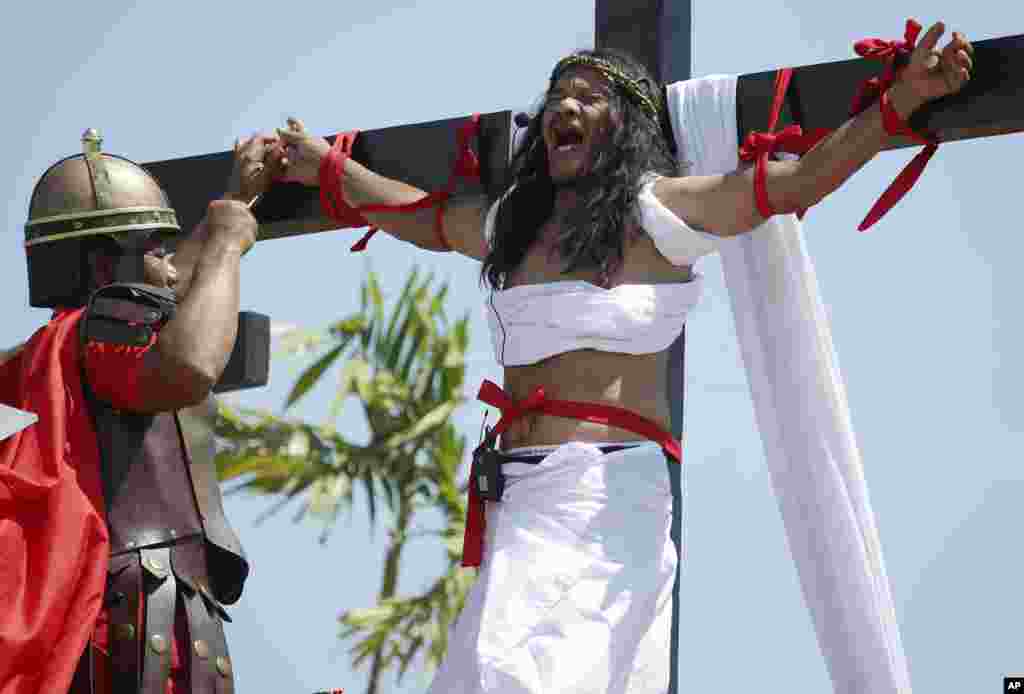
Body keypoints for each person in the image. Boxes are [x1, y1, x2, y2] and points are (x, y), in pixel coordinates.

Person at [271, 20, 971, 694]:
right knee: (485, 670)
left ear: (626, 124)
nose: (564, 106)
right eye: (557, 96)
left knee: (512, 674)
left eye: (587, 96)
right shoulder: (513, 224)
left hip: (607, 499)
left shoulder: (655, 213)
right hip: (519, 493)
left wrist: (901, 100)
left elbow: (794, 185)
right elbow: (420, 218)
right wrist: (328, 166)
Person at [0, 128, 278, 694]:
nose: (173, 266)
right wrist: (226, 243)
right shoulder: (105, 328)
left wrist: (235, 200)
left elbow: (170, 294)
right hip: (134, 634)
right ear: (107, 267)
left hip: (138, 624)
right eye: (156, 249)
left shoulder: (59, 348)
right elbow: (189, 364)